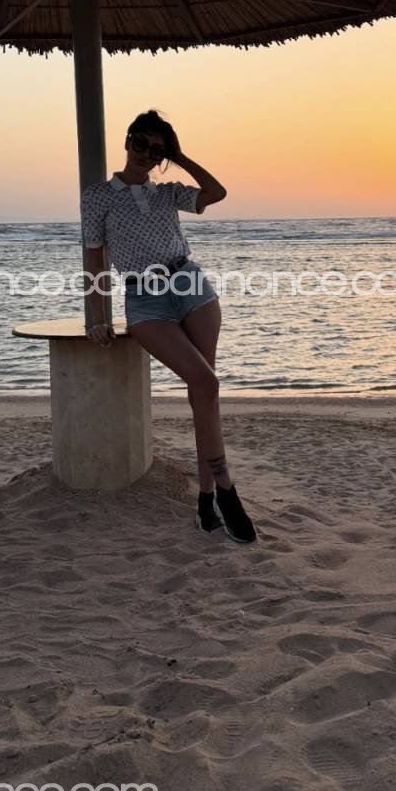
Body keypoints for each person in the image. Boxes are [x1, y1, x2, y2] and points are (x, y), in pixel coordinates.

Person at [79, 109, 256, 543]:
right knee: (205, 382)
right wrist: (96, 317)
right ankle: (226, 489)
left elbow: (216, 192)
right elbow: (95, 258)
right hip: (145, 299)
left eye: (157, 150)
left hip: (191, 285)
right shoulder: (97, 197)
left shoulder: (168, 193)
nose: (146, 154)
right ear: (128, 141)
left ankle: (205, 503)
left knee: (204, 393)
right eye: (141, 143)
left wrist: (180, 157)